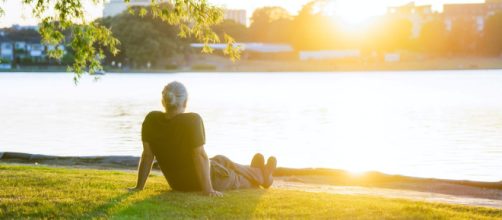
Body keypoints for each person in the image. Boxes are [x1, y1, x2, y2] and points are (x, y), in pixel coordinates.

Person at [131, 81, 277, 197]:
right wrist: (208, 190)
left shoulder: (151, 119)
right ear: (185, 102)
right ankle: (264, 177)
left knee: (221, 159)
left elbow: (147, 155)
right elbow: (199, 155)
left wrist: (139, 187)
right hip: (202, 181)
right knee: (236, 179)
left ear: (164, 101)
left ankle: (255, 170)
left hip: (177, 183)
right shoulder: (192, 120)